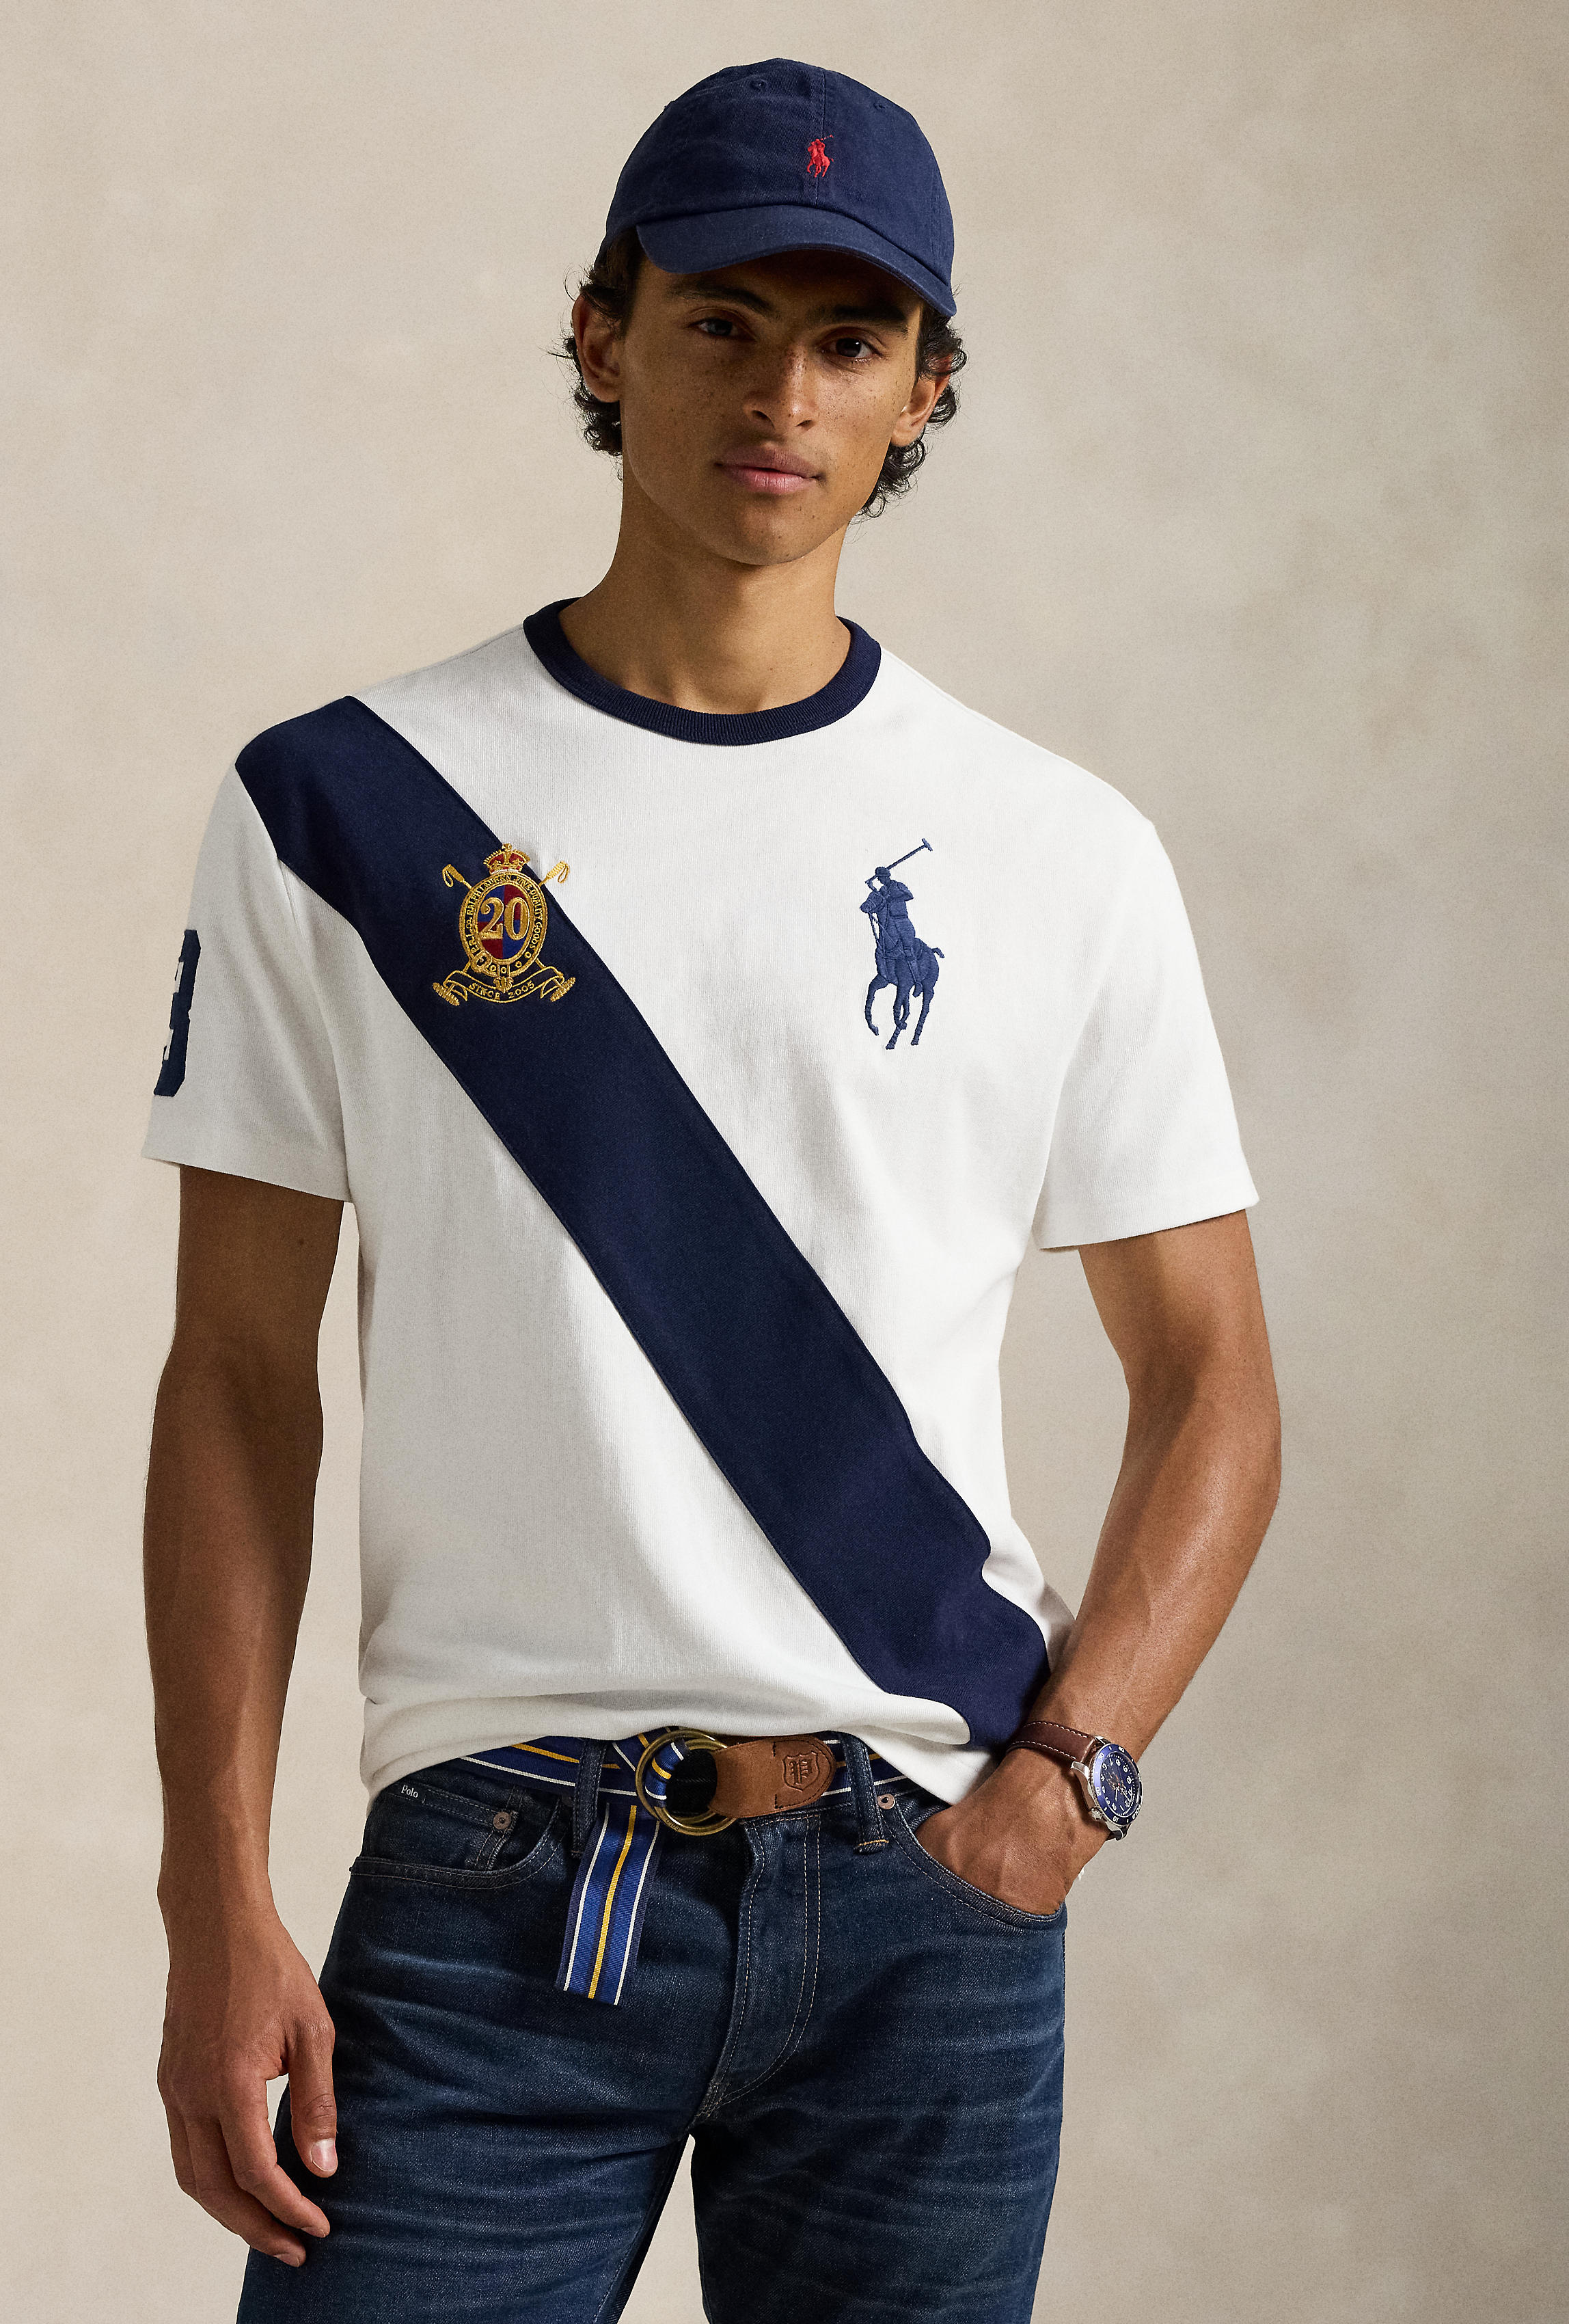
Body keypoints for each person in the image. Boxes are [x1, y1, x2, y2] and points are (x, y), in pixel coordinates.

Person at [141, 57, 1281, 2324]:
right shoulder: (346, 811)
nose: (784, 395)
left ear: (924, 386)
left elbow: (1217, 1380)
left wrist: (1068, 1786)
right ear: (604, 333)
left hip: (923, 1885)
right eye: (722, 322)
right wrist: (213, 1900)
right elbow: (237, 1384)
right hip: (493, 1885)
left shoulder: (1061, 854)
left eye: (850, 340)